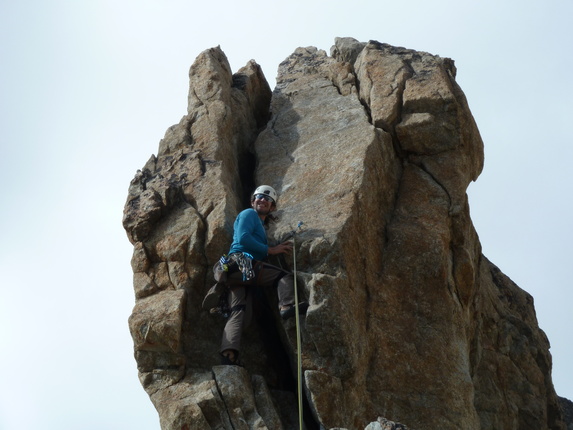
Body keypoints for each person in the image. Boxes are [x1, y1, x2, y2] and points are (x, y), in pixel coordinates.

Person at [217, 185, 308, 366]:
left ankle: (228, 355)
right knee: (283, 277)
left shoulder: (259, 225)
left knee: (239, 312)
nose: (263, 200)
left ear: (272, 207)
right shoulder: (248, 214)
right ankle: (286, 306)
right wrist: (271, 249)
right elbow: (243, 238)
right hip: (241, 263)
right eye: (259, 197)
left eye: (268, 199)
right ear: (252, 201)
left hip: (236, 271)